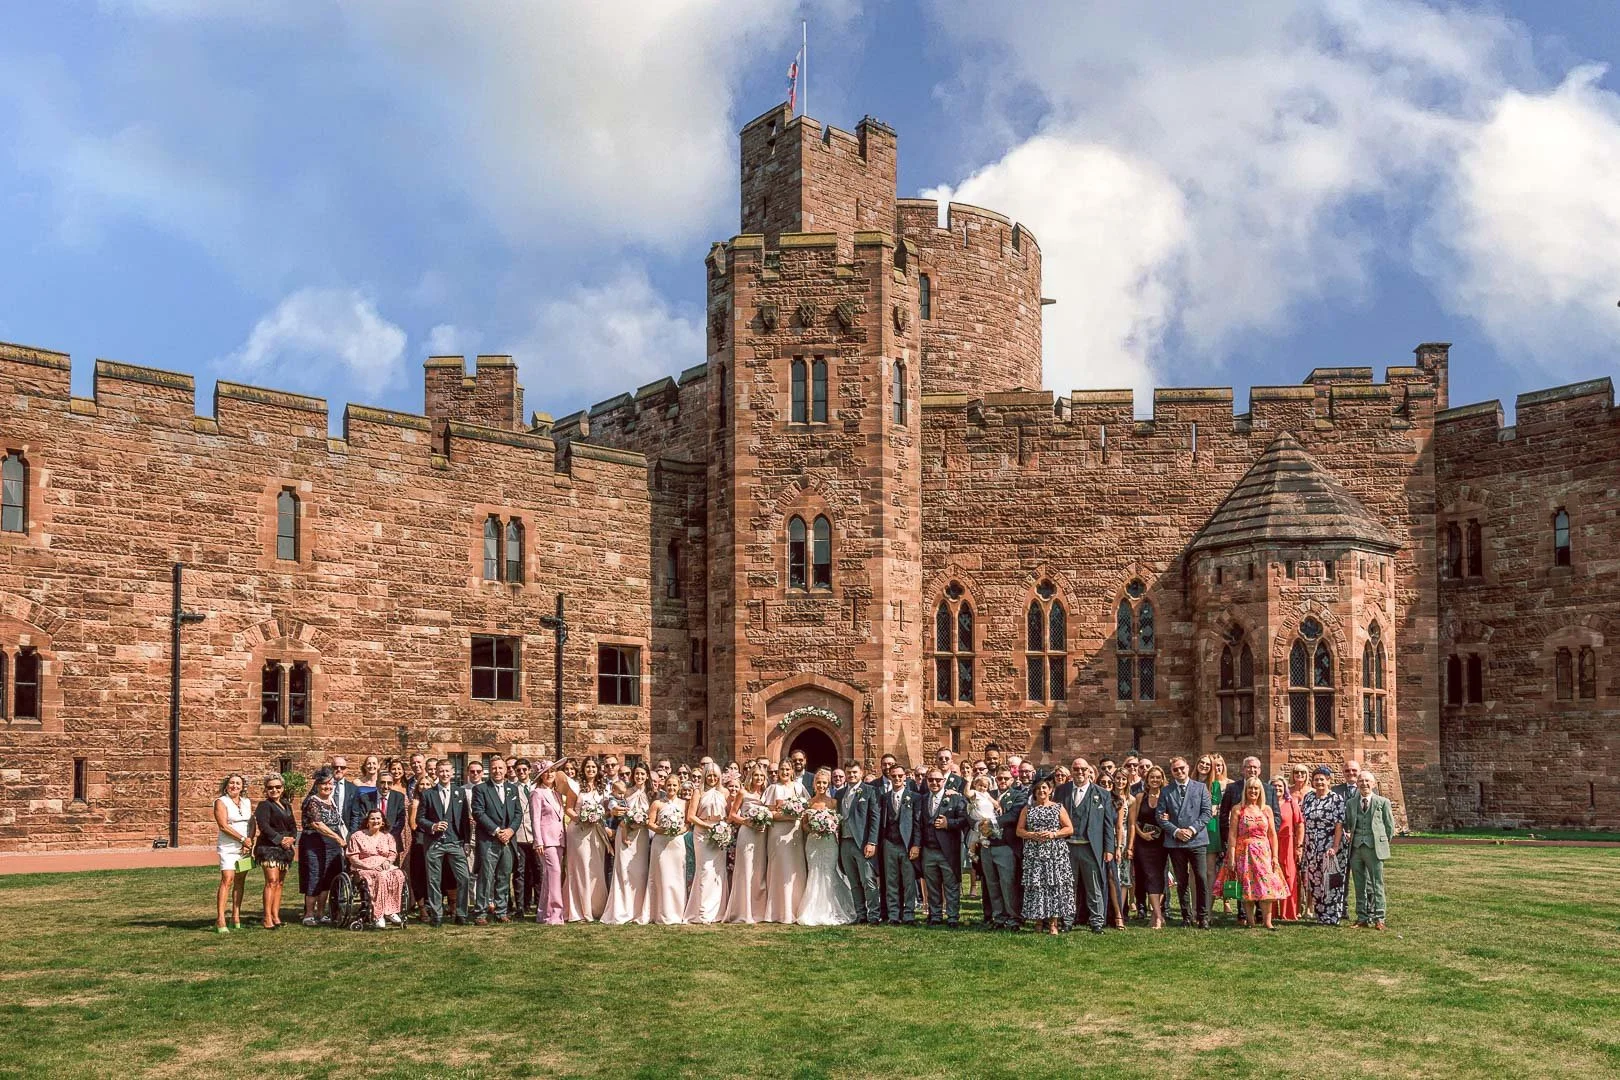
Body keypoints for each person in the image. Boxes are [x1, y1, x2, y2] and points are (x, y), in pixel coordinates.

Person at [1218, 756, 1281, 924]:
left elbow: (1275, 820)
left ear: (1259, 771)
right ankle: (1245, 917)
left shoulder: (1269, 791)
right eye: (1249, 767)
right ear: (1243, 769)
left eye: (1255, 768)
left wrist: (1272, 850)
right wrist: (1230, 849)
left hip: (1263, 849)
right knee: (1245, 883)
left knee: (1265, 883)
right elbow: (1225, 819)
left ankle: (1265, 919)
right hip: (1242, 848)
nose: (1252, 770)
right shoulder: (1234, 792)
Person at [1054, 759, 1115, 933]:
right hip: (1067, 847)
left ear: (1089, 771)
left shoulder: (1102, 794)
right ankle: (1067, 921)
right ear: (1071, 771)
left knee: (1094, 886)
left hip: (1091, 847)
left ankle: (1096, 922)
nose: (1079, 772)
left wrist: (1109, 848)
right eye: (1076, 769)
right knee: (1067, 885)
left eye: (1083, 769)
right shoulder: (1061, 791)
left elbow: (1108, 824)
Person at [1227, 777, 1290, 930]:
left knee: (1266, 886)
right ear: (1245, 790)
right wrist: (1231, 857)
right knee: (1247, 886)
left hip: (1264, 853)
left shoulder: (1266, 809)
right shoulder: (1238, 809)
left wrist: (1275, 856)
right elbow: (1232, 835)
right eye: (1250, 788)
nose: (1253, 791)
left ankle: (1268, 922)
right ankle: (1250, 921)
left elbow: (1272, 834)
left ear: (1260, 791)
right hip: (1244, 852)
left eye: (1256, 788)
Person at [413, 759, 470, 926]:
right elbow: (419, 819)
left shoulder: (460, 793)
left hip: (455, 842)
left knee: (464, 878)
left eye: (447, 771)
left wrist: (466, 842)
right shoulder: (427, 794)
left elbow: (465, 820)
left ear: (452, 773)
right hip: (434, 843)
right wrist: (433, 826)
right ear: (436, 773)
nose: (444, 774)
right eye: (441, 771)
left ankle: (461, 913)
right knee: (433, 880)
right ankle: (436, 914)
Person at [1157, 756, 1213, 928]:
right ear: (1172, 772)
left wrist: (1191, 830)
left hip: (1197, 840)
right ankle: (1186, 916)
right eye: (1175, 770)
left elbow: (1206, 813)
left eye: (1182, 768)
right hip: (1176, 842)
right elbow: (1160, 816)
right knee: (1181, 880)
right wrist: (1176, 831)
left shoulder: (1200, 788)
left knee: (1201, 878)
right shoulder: (1166, 791)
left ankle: (1203, 917)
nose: (1179, 772)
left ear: (1188, 768)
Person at [798, 767, 857, 925]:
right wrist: (814, 828)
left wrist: (828, 827)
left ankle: (832, 908)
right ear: (814, 784)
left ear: (828, 784)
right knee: (814, 872)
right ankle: (812, 909)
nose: (821, 785)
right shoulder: (809, 802)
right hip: (813, 842)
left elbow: (838, 823)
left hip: (829, 842)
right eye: (819, 782)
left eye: (824, 783)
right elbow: (803, 825)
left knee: (828, 873)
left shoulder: (833, 802)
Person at [1017, 775, 1075, 935]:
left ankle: (1053, 924)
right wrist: (1032, 835)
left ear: (1050, 790)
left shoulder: (1058, 807)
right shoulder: (1027, 809)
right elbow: (1019, 830)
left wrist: (1053, 834)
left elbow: (1069, 828)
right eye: (1038, 789)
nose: (1041, 791)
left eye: (1044, 788)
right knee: (1037, 886)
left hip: (1054, 853)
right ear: (1034, 792)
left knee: (1054, 886)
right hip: (1034, 853)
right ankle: (1037, 921)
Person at [1339, 769, 1395, 929]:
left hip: (1374, 847)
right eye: (1361, 781)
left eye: (1367, 781)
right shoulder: (1351, 803)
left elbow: (1389, 826)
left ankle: (1379, 918)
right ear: (1357, 784)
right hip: (1356, 848)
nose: (1364, 784)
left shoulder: (1382, 802)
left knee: (1377, 883)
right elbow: (1348, 824)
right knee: (1359, 883)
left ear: (1373, 783)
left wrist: (1382, 842)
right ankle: (1362, 917)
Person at [471, 757, 522, 924]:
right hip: (489, 839)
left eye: (501, 768)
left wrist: (510, 831)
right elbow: (478, 812)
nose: (497, 771)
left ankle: (501, 911)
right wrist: (497, 831)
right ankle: (481, 913)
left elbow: (517, 814)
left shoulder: (512, 790)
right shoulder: (481, 789)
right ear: (489, 770)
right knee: (486, 877)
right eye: (494, 768)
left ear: (506, 770)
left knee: (503, 876)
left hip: (508, 840)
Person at [603, 764, 654, 925]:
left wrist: (644, 821)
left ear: (647, 776)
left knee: (640, 872)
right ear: (633, 775)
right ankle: (621, 910)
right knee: (623, 870)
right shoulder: (626, 792)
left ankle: (638, 910)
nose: (639, 777)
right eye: (637, 774)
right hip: (625, 834)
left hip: (642, 836)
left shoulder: (652, 794)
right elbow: (615, 811)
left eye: (642, 774)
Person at [916, 768, 967, 927]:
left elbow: (965, 820)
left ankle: (952, 917)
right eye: (931, 780)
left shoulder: (955, 798)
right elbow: (918, 824)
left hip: (948, 850)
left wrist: (948, 824)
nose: (934, 783)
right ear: (927, 781)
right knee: (932, 885)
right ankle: (935, 915)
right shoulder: (922, 799)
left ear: (943, 781)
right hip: (928, 849)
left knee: (951, 885)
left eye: (938, 780)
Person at [833, 762, 881, 925]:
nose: (851, 775)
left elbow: (875, 818)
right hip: (845, 842)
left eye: (854, 772)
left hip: (862, 842)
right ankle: (860, 914)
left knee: (867, 880)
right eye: (849, 772)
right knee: (853, 881)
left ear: (861, 773)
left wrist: (872, 842)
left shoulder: (869, 791)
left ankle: (874, 914)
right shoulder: (839, 794)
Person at [1299, 765, 1348, 924]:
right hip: (1311, 847)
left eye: (1322, 779)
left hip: (1329, 846)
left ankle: (1332, 916)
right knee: (1315, 880)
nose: (1319, 782)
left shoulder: (1336, 799)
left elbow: (1339, 825)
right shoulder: (1309, 798)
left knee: (1330, 881)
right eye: (1316, 779)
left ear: (1328, 780)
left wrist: (1335, 846)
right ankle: (1320, 914)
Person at [723, 762, 771, 923]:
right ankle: (743, 911)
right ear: (751, 776)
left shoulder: (766, 794)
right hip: (747, 833)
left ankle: (758, 911)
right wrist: (747, 822)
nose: (758, 778)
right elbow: (732, 815)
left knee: (759, 872)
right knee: (745, 870)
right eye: (756, 775)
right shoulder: (743, 792)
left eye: (761, 776)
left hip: (761, 835)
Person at [684, 763, 732, 923]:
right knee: (705, 870)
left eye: (715, 775)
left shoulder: (724, 792)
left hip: (719, 834)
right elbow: (691, 816)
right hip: (702, 834)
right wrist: (708, 826)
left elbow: (729, 815)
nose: (712, 778)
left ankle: (718, 911)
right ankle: (703, 912)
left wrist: (722, 828)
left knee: (718, 872)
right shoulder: (698, 792)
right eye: (709, 775)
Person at [299, 768, 347, 927]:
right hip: (314, 843)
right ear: (317, 785)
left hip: (332, 844)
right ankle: (309, 914)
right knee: (315, 876)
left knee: (328, 877)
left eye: (330, 783)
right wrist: (337, 838)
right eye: (324, 784)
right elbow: (317, 824)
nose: (327, 786)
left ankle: (321, 913)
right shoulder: (312, 801)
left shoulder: (331, 801)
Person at [564, 757, 609, 922]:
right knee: (581, 868)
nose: (590, 769)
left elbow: (606, 810)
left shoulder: (602, 788)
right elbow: (568, 808)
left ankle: (596, 908)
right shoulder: (575, 786)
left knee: (595, 869)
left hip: (596, 832)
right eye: (587, 767)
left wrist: (601, 815)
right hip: (578, 832)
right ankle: (579, 910)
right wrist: (580, 819)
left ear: (597, 769)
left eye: (593, 767)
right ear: (583, 769)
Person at [345, 808, 406, 928]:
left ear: (382, 821)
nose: (375, 821)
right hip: (363, 868)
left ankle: (391, 911)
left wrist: (388, 862)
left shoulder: (388, 837)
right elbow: (353, 858)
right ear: (367, 821)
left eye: (378, 818)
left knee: (398, 874)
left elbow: (392, 853)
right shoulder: (357, 836)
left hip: (384, 866)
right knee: (381, 877)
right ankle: (379, 915)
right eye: (372, 818)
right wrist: (369, 866)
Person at [764, 759, 808, 922]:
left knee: (796, 869)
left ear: (792, 771)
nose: (784, 772)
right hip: (778, 833)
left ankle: (796, 908)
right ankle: (778, 911)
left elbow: (806, 809)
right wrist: (787, 815)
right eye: (782, 769)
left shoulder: (799, 788)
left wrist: (797, 815)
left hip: (795, 833)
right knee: (779, 868)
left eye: (787, 769)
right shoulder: (773, 789)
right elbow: (769, 813)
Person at [1128, 765, 1170, 929]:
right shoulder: (1140, 797)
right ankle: (1159, 917)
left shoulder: (1167, 797)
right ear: (1147, 779)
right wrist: (1141, 834)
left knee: (1160, 877)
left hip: (1161, 843)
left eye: (1158, 777)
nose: (1155, 780)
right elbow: (1133, 821)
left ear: (1162, 779)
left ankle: (1156, 914)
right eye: (1152, 777)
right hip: (1143, 843)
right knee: (1149, 877)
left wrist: (1168, 817)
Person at [878, 762, 921, 925]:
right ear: (889, 776)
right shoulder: (885, 797)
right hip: (890, 843)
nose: (897, 778)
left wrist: (916, 844)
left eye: (900, 776)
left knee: (909, 881)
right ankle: (894, 914)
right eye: (894, 776)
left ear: (905, 777)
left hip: (907, 844)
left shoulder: (914, 797)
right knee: (891, 880)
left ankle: (909, 913)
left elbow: (917, 823)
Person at [252, 773, 296, 929]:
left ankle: (276, 916)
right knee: (271, 881)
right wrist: (280, 840)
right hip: (269, 847)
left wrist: (291, 839)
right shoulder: (264, 806)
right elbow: (264, 826)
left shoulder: (287, 805)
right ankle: (267, 917)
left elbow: (293, 827)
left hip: (285, 850)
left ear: (283, 788)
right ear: (266, 789)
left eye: (277, 787)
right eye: (270, 787)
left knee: (280, 883)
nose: (274, 790)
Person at [529, 759, 568, 925]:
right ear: (541, 776)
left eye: (552, 771)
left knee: (549, 876)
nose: (550, 774)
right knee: (554, 874)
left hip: (559, 839)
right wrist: (538, 841)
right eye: (546, 772)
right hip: (546, 840)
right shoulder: (537, 793)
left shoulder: (557, 793)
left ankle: (543, 913)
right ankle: (554, 913)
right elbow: (535, 819)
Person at [647, 772, 689, 924]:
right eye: (669, 785)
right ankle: (661, 913)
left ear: (679, 787)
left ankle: (678, 912)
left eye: (674, 785)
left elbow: (688, 824)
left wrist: (678, 830)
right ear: (665, 786)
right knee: (662, 877)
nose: (671, 787)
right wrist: (662, 829)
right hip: (661, 843)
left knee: (677, 877)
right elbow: (650, 823)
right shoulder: (657, 803)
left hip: (677, 843)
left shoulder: (685, 804)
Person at [213, 773, 252, 933]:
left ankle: (236, 915)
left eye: (238, 783)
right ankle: (220, 918)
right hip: (228, 847)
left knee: (240, 880)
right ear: (226, 785)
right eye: (231, 783)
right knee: (227, 879)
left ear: (242, 786)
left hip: (244, 847)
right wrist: (242, 839)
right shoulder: (221, 802)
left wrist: (249, 842)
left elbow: (251, 823)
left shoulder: (246, 802)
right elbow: (223, 826)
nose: (234, 786)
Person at [1272, 774, 1303, 921]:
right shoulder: (1265, 804)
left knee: (1289, 877)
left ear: (1284, 788)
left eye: (1280, 786)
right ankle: (1271, 912)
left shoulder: (1291, 803)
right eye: (1274, 785)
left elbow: (1300, 824)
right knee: (1271, 877)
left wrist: (1299, 846)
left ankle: (1288, 912)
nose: (1277, 788)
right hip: (1270, 844)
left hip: (1288, 843)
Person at [1107, 770, 1133, 928]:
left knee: (1123, 877)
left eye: (1124, 779)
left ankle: (1121, 912)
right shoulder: (1107, 796)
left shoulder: (1131, 799)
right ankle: (1112, 911)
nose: (1120, 781)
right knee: (1111, 875)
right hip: (1109, 837)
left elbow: (1131, 824)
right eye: (1118, 778)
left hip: (1122, 839)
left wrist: (1129, 846)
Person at [512, 760, 538, 917]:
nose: (521, 772)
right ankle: (521, 907)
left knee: (536, 871)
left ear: (529, 770)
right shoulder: (512, 789)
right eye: (518, 770)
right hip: (519, 834)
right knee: (520, 872)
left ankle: (538, 903)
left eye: (524, 769)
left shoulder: (537, 787)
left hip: (535, 835)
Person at [329, 756, 359, 831]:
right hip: (325, 830)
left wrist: (352, 833)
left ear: (346, 770)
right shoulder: (322, 786)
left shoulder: (353, 789)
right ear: (331, 768)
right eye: (336, 767)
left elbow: (355, 815)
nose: (339, 769)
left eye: (342, 767)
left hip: (344, 829)